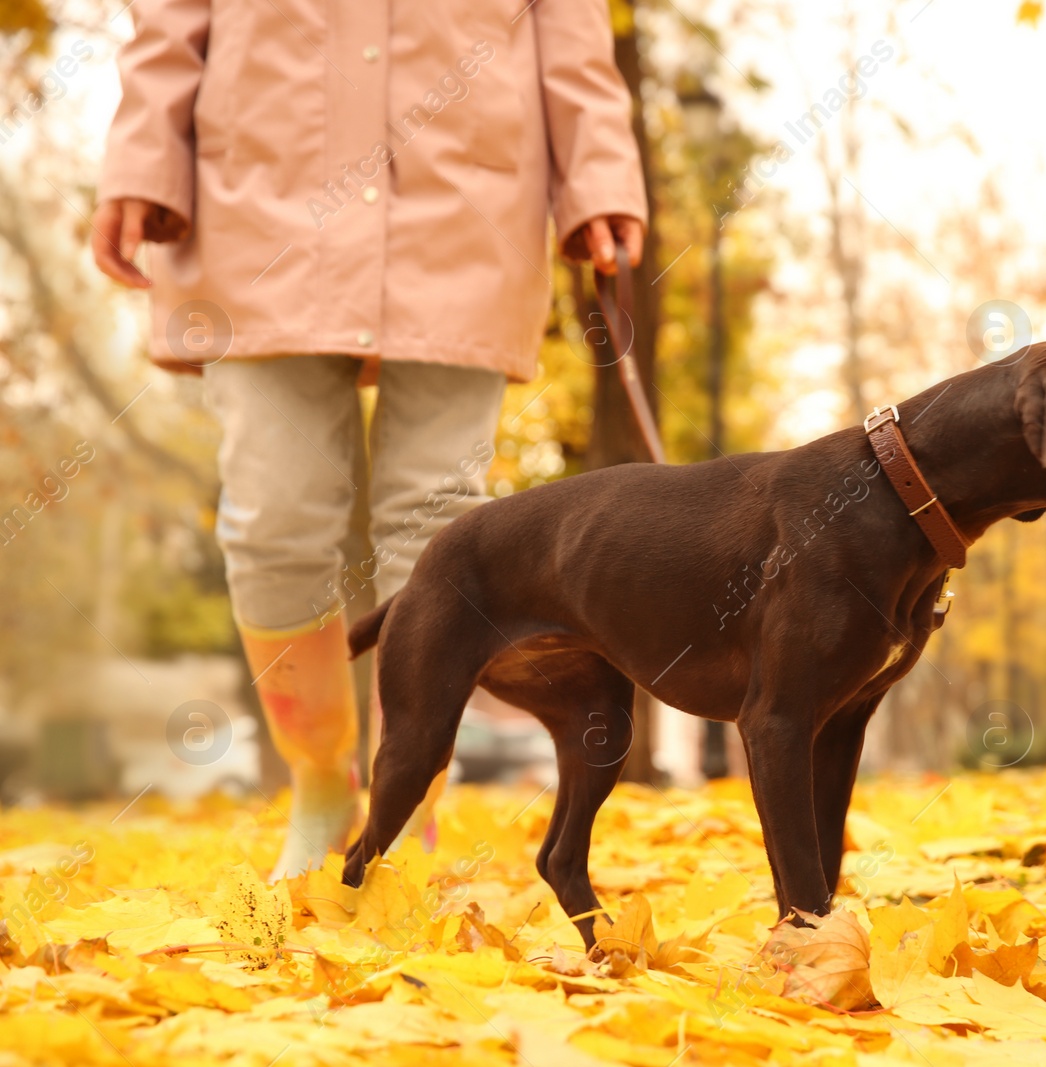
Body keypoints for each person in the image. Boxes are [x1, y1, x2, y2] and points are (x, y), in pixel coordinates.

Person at [92, 0, 647, 879]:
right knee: (272, 515)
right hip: (261, 204)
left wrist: (601, 178)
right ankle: (320, 780)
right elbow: (168, 18)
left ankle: (410, 803)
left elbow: (573, 37)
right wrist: (141, 158)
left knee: (442, 529)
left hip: (465, 204)